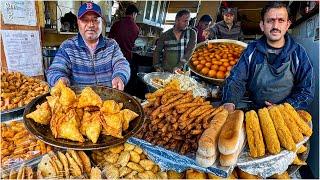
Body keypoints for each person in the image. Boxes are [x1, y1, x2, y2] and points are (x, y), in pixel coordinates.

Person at [222, 1, 314, 111]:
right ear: (262, 25)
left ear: (287, 25)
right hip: (255, 110)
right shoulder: (251, 50)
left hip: (287, 112)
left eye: (281, 20)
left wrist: (283, 108)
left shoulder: (298, 53)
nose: (275, 26)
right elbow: (236, 79)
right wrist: (229, 101)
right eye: (270, 21)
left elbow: (306, 91)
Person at [47, 2, 130, 91]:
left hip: (109, 99)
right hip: (79, 102)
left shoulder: (111, 45)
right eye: (85, 20)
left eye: (95, 20)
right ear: (78, 23)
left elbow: (121, 63)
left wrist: (120, 76)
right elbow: (54, 70)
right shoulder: (67, 47)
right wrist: (60, 79)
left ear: (101, 22)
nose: (90, 25)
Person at [108, 4, 140, 95]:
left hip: (112, 59)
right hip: (127, 58)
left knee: (113, 84)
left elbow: (109, 40)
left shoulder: (117, 24)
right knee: (124, 84)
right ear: (134, 14)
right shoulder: (136, 28)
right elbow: (132, 43)